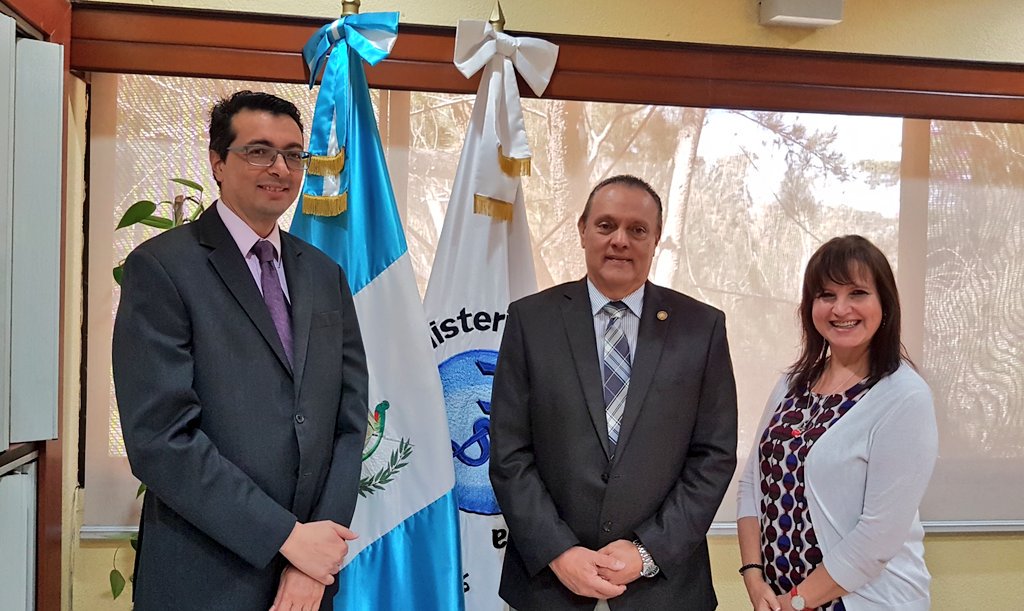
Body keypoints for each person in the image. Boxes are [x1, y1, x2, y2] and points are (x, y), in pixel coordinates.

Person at [112, 90, 368, 610]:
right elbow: (161, 438)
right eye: (258, 151)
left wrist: (312, 557)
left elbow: (348, 420)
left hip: (308, 578)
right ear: (217, 163)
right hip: (204, 574)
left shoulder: (325, 275)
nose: (280, 168)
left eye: (293, 154)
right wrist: (287, 538)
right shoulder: (162, 268)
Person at [489, 174, 738, 610]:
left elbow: (713, 456)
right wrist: (559, 552)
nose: (620, 240)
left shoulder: (702, 328)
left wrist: (647, 552)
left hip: (664, 591)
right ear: (583, 230)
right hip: (551, 588)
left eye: (637, 229)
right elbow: (510, 453)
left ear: (656, 239)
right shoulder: (531, 321)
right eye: (606, 225)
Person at [736, 235, 938, 611]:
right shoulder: (791, 383)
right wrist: (753, 575)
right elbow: (752, 483)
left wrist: (795, 603)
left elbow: (877, 538)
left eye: (857, 293)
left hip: (866, 601)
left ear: (885, 304)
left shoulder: (904, 397)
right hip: (779, 599)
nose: (840, 308)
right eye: (826, 295)